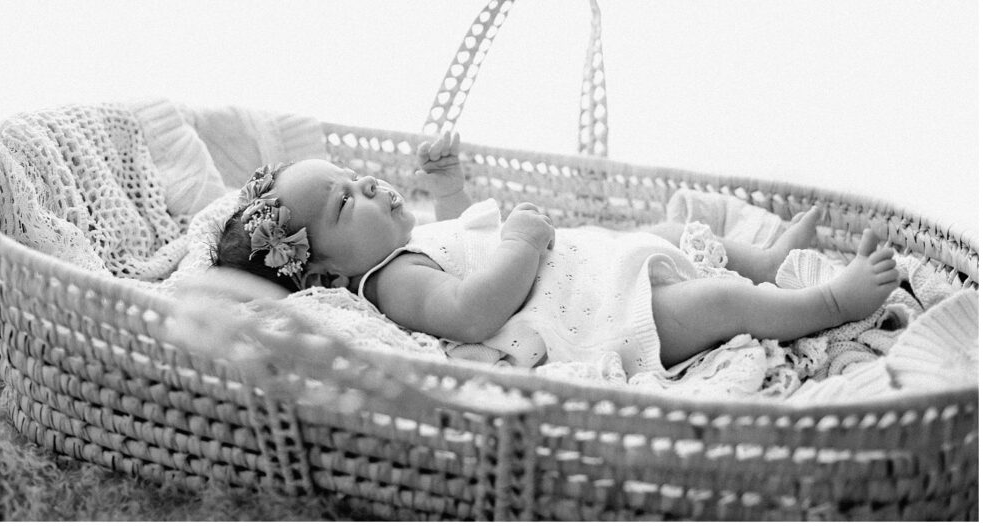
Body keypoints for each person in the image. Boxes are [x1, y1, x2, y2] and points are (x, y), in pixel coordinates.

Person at [212, 131, 899, 372]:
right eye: (343, 202)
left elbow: (462, 238)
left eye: (349, 175)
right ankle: (829, 301)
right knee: (715, 303)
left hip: (597, 266)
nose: (365, 182)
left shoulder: (409, 245)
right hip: (605, 319)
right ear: (331, 271)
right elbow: (471, 309)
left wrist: (448, 189)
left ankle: (769, 258)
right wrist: (525, 239)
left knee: (668, 234)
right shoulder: (389, 285)